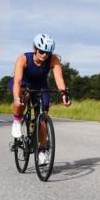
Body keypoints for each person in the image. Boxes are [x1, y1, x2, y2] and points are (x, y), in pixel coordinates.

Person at [9, 33, 72, 166]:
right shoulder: (23, 59)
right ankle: (17, 120)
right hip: (23, 83)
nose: (44, 55)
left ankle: (42, 152)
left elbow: (59, 79)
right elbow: (18, 81)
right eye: (41, 51)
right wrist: (16, 98)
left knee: (43, 117)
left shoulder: (53, 59)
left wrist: (64, 94)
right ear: (35, 49)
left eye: (47, 53)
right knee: (23, 96)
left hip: (40, 85)